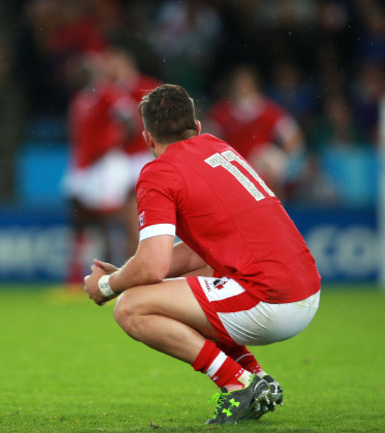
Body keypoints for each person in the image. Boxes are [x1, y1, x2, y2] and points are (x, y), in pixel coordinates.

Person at [83, 84, 321, 424]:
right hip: (307, 288)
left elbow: (153, 265)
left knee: (131, 306)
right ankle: (256, 378)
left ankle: (237, 383)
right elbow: (193, 255)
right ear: (197, 128)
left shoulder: (158, 172)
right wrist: (126, 271)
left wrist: (108, 286)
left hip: (270, 299)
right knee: (183, 282)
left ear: (148, 138)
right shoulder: (218, 147)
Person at [64, 52, 137, 286]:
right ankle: (77, 275)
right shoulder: (80, 98)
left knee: (109, 217)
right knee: (79, 216)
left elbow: (130, 120)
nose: (82, 72)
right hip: (83, 166)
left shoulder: (108, 93)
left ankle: (117, 272)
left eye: (87, 68)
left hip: (105, 164)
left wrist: (112, 145)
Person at [207, 66, 304, 198]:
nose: (242, 90)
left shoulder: (267, 111)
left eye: (245, 85)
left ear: (254, 87)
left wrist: (279, 160)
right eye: (238, 86)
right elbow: (204, 142)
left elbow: (293, 137)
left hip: (261, 174)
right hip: (233, 173)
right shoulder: (222, 113)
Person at [106, 47, 162, 257]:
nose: (111, 71)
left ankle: (141, 261)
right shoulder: (107, 91)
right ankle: (131, 261)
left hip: (141, 156)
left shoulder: (147, 88)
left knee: (135, 216)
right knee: (116, 217)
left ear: (127, 66)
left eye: (115, 66)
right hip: (116, 160)